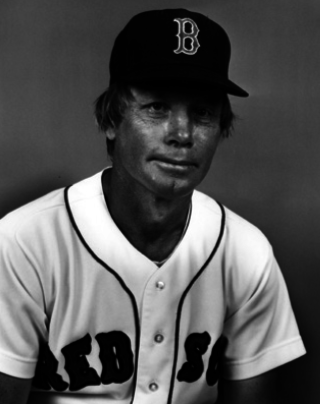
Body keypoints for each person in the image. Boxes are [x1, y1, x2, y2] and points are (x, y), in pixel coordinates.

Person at [0, 8, 306, 404]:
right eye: (157, 107)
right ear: (112, 120)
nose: (182, 134)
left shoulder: (246, 253)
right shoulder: (23, 243)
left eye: (202, 113)